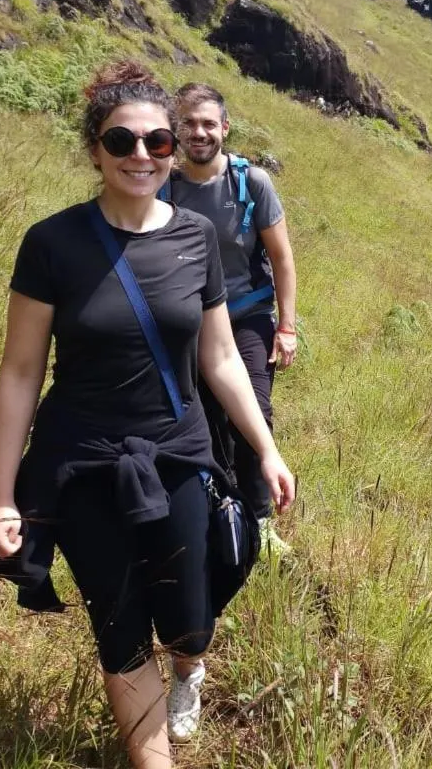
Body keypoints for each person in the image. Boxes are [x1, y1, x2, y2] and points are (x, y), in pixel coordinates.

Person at [0, 61, 295, 769]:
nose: (142, 156)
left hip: (179, 454)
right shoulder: (52, 244)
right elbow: (21, 372)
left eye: (157, 143)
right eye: (121, 142)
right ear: (94, 149)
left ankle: (191, 663)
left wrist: (266, 450)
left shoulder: (194, 239)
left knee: (189, 620)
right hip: (84, 460)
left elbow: (219, 359)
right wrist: (1, 495)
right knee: (120, 628)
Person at [164, 83, 297, 556]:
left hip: (247, 314)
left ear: (224, 128)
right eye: (188, 124)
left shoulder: (250, 183)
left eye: (207, 124)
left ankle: (260, 522)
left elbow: (281, 259)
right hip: (191, 321)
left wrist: (286, 326)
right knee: (205, 418)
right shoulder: (165, 184)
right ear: (176, 129)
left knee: (253, 412)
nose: (198, 133)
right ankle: (223, 509)